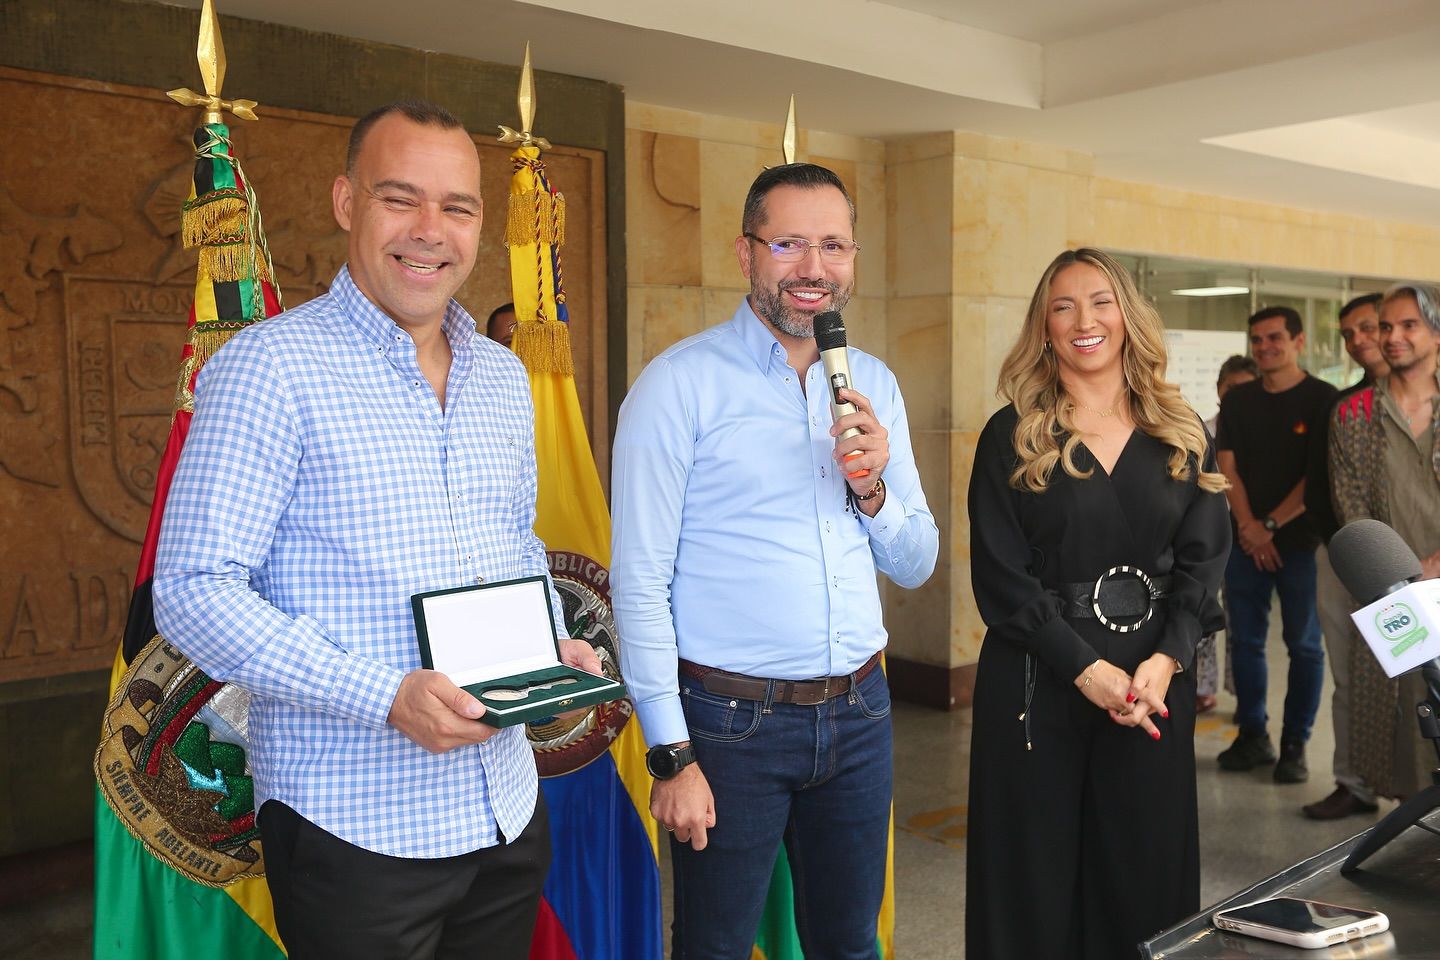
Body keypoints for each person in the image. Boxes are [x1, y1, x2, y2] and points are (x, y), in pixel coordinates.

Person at [152, 101, 601, 960]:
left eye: (457, 207)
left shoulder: (502, 376)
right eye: (400, 198)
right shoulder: (268, 368)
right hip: (354, 828)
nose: (431, 230)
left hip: (504, 808)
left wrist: (550, 639)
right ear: (345, 202)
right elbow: (192, 592)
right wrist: (383, 695)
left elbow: (513, 543)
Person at [611, 162, 937, 959]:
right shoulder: (678, 386)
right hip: (729, 726)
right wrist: (672, 753)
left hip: (860, 713)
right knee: (714, 947)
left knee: (849, 946)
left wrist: (874, 491)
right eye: (789, 244)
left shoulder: (874, 384)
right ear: (746, 253)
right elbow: (640, 583)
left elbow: (917, 564)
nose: (814, 268)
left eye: (834, 246)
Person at [967, 248, 1229, 959]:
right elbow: (1000, 576)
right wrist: (1085, 670)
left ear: (1128, 316)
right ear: (1044, 328)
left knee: (1143, 873)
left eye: (1101, 302)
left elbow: (1204, 561)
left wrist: (1168, 660)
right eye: (1063, 306)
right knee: (1034, 879)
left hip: (1151, 685)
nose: (1084, 321)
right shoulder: (1011, 435)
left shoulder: (1182, 428)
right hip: (1038, 679)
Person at [1214, 306, 1337, 783]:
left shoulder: (1323, 398)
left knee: (1304, 646)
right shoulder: (1239, 401)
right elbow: (1227, 466)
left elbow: (1318, 475)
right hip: (1245, 543)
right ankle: (1253, 735)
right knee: (1244, 642)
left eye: (1274, 338)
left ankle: (1294, 744)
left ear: (1299, 341)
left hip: (1302, 544)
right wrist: (1249, 526)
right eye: (1257, 340)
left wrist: (1268, 524)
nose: (1264, 347)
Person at [1328, 283, 1440, 808]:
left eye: (1408, 325)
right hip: (1390, 589)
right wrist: (1398, 574)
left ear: (1436, 333)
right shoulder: (1352, 413)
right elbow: (1351, 506)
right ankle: (1415, 822)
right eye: (1387, 326)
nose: (1392, 337)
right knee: (1405, 703)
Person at [1303, 293, 1390, 819]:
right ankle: (1354, 783)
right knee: (1350, 678)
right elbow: (1321, 489)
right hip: (1345, 559)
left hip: (1426, 565)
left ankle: (1421, 786)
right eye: (1348, 334)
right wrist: (1349, 552)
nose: (1358, 340)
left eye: (1369, 327)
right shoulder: (1343, 407)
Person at [1199, 354, 1259, 713]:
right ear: (1219, 388)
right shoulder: (1200, 430)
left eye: (1245, 387)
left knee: (1241, 623)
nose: (1237, 394)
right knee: (1202, 616)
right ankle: (1201, 689)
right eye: (1231, 387)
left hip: (1243, 539)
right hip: (1204, 539)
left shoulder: (1258, 435)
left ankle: (1243, 694)